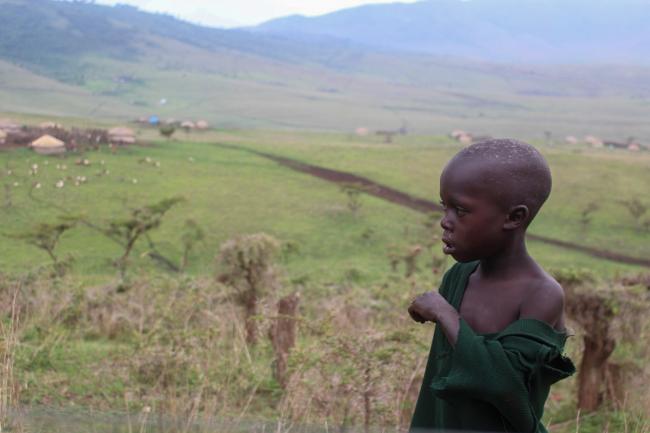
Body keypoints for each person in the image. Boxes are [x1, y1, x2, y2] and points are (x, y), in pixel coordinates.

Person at [407, 139, 575, 433]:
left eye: (460, 210)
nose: (445, 222)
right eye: (444, 207)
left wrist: (445, 314)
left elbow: (507, 387)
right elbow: (440, 384)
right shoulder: (458, 277)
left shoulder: (541, 294)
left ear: (514, 217)